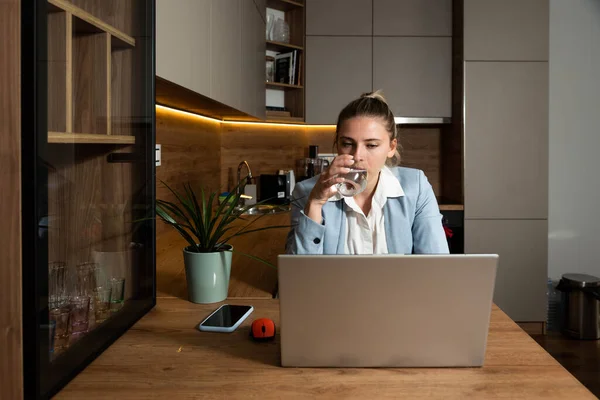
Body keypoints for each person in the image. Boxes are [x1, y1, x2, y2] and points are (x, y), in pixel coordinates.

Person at [285, 91, 449, 255]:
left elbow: (436, 263)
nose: (357, 156)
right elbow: (300, 274)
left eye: (371, 145)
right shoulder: (306, 192)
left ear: (391, 148)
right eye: (348, 143)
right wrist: (315, 203)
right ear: (337, 144)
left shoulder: (416, 187)